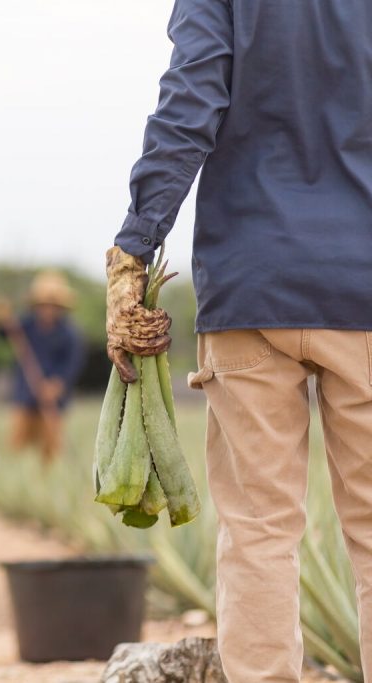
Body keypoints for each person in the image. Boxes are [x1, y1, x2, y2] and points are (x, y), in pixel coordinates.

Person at [109, 2, 372, 680]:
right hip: (363, 286)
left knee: (257, 531)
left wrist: (134, 249)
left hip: (253, 282)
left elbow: (188, 106)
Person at [0, 271, 84, 461]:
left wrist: (56, 385)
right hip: (25, 394)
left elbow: (71, 364)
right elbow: (5, 333)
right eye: (43, 305)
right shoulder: (26, 325)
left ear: (60, 307)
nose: (48, 309)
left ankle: (46, 482)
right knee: (17, 443)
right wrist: (2, 318)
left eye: (52, 305)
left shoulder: (70, 334)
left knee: (50, 449)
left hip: (53, 399)